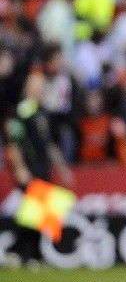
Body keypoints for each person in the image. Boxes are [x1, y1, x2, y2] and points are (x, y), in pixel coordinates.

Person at [4, 69, 74, 267]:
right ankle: (19, 251)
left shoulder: (43, 111)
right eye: (37, 85)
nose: (40, 89)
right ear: (28, 88)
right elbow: (14, 142)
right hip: (30, 168)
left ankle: (30, 254)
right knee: (33, 214)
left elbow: (49, 143)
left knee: (41, 215)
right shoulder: (22, 110)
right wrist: (19, 168)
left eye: (42, 85)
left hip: (43, 169)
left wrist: (62, 168)